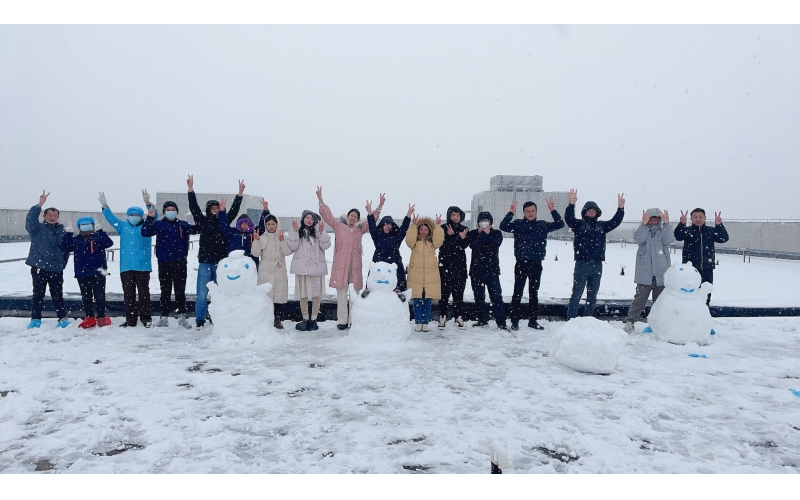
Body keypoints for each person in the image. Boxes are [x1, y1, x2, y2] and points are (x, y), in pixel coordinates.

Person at [499, 197, 564, 331]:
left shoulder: (542, 225)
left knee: (533, 293)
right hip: (521, 263)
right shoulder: (518, 224)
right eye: (527, 211)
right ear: (523, 212)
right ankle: (514, 320)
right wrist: (510, 212)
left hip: (536, 264)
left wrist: (553, 210)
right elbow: (503, 226)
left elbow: (560, 224)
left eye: (532, 211)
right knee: (517, 293)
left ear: (536, 212)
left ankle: (533, 320)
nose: (530, 213)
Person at [188, 175, 244, 330]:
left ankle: (217, 317)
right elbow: (194, 208)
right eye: (213, 208)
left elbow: (234, 209)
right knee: (202, 294)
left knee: (220, 293)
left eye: (217, 208)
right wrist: (191, 190)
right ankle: (200, 319)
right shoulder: (202, 221)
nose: (215, 211)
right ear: (208, 210)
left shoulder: (224, 220)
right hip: (205, 262)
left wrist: (239, 194)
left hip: (221, 263)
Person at [316, 186, 371, 330]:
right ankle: (342, 321)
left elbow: (372, 221)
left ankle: (353, 320)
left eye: (356, 216)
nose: (353, 218)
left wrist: (377, 208)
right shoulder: (339, 226)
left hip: (355, 265)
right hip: (341, 264)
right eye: (351, 215)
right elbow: (327, 216)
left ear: (358, 219)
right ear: (347, 216)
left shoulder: (361, 229)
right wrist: (321, 201)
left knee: (354, 293)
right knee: (341, 292)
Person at [564, 189, 625, 319]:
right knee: (576, 293)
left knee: (592, 296)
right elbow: (569, 219)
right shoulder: (578, 225)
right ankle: (570, 319)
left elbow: (615, 222)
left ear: (597, 213)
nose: (591, 212)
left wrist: (620, 209)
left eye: (593, 210)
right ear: (584, 212)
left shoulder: (602, 226)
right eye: (588, 210)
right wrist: (571, 205)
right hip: (581, 264)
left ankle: (588, 320)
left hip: (597, 264)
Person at [100, 189, 156, 328]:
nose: (134, 216)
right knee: (128, 294)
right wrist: (105, 207)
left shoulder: (147, 226)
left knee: (144, 294)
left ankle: (146, 318)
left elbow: (154, 217)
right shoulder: (123, 226)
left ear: (141, 216)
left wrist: (148, 204)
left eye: (136, 215)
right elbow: (111, 219)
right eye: (131, 214)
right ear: (127, 216)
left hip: (142, 266)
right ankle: (130, 320)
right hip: (126, 266)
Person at [141, 200, 198, 328]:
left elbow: (198, 228)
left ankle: (182, 315)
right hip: (164, 263)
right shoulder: (159, 224)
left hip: (180, 262)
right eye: (168, 209)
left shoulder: (183, 225)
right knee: (165, 290)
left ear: (177, 211)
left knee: (180, 290)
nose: (171, 211)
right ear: (164, 212)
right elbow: (145, 232)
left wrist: (197, 214)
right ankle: (164, 316)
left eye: (173, 209)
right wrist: (149, 218)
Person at [623, 209, 674, 333]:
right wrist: (643, 224)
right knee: (639, 299)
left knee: (660, 301)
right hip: (644, 273)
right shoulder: (643, 230)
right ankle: (630, 322)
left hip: (661, 273)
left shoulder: (662, 232)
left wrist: (667, 224)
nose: (652, 221)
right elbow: (639, 239)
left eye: (655, 219)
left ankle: (660, 324)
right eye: (650, 219)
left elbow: (670, 240)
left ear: (659, 220)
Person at [25, 190, 70, 329]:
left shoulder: (63, 231)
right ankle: (35, 319)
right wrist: (39, 205)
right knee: (38, 295)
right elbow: (30, 220)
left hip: (56, 268)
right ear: (44, 216)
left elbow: (66, 250)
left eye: (55, 215)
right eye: (49, 214)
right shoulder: (37, 229)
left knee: (57, 295)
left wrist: (62, 264)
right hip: (39, 267)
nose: (52, 217)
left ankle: (62, 318)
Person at [60, 216, 114, 328]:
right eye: (83, 225)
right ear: (79, 227)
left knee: (100, 296)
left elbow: (109, 243)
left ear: (93, 226)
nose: (86, 227)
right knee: (86, 296)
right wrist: (68, 235)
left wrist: (101, 231)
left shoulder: (98, 237)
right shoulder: (76, 240)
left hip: (98, 272)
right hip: (82, 273)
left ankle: (101, 317)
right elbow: (65, 247)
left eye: (88, 224)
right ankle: (89, 317)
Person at [673, 208, 729, 306]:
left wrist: (719, 225)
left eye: (700, 217)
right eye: (694, 217)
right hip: (690, 270)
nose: (697, 219)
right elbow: (678, 236)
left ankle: (703, 315)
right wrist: (682, 224)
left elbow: (723, 238)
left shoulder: (711, 231)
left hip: (707, 268)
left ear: (705, 218)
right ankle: (689, 315)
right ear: (691, 218)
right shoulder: (687, 231)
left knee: (705, 294)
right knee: (689, 294)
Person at [251, 201, 293, 329]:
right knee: (266, 294)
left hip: (279, 267)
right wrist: (256, 241)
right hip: (265, 268)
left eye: (273, 224)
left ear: (277, 224)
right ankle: (265, 318)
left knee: (278, 295)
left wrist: (282, 242)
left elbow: (287, 252)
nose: (270, 226)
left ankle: (277, 319)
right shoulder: (262, 237)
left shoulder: (282, 236)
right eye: (268, 224)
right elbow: (255, 253)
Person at [287, 210, 331, 331]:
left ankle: (313, 320)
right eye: (307, 217)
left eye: (312, 218)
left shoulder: (319, 232)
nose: (309, 220)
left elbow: (326, 246)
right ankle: (305, 319)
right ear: (303, 219)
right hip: (302, 270)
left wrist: (322, 232)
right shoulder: (299, 232)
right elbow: (293, 246)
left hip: (316, 269)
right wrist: (294, 231)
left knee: (316, 295)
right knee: (303, 295)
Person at [366, 194, 413, 298]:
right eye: (386, 224)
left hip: (394, 261)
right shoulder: (377, 237)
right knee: (375, 280)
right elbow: (372, 227)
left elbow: (404, 228)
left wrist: (408, 215)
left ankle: (399, 290)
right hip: (379, 261)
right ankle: (369, 289)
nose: (388, 226)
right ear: (382, 226)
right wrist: (369, 213)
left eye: (390, 225)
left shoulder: (396, 238)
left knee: (398, 278)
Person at [468, 212, 509, 331]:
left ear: (491, 223)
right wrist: (481, 234)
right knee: (479, 297)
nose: (484, 223)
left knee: (496, 297)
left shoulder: (496, 233)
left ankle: (501, 322)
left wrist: (488, 234)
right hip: (476, 271)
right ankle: (482, 320)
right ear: (478, 223)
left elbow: (496, 244)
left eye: (487, 221)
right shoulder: (473, 233)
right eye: (482, 221)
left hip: (492, 271)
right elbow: (474, 246)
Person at [405, 214, 444, 332]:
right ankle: (418, 322)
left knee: (427, 301)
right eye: (421, 229)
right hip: (416, 277)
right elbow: (409, 240)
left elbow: (439, 240)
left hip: (429, 277)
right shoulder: (415, 244)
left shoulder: (432, 244)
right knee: (417, 301)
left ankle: (425, 322)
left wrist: (437, 226)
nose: (423, 232)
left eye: (426, 229)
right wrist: (414, 225)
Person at [437, 206, 470, 330]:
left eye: (458, 215)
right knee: (444, 294)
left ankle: (459, 317)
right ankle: (442, 316)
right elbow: (442, 245)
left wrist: (455, 238)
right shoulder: (442, 228)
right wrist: (456, 237)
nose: (455, 218)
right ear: (449, 216)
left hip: (459, 267)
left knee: (458, 294)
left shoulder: (464, 229)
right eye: (453, 215)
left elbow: (465, 245)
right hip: (445, 266)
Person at [217, 197, 258, 266]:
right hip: (234, 264)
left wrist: (265, 211)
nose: (244, 225)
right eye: (243, 223)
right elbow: (224, 225)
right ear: (239, 224)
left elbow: (263, 227)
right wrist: (222, 211)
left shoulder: (253, 234)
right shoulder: (232, 232)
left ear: (249, 225)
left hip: (248, 265)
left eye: (246, 223)